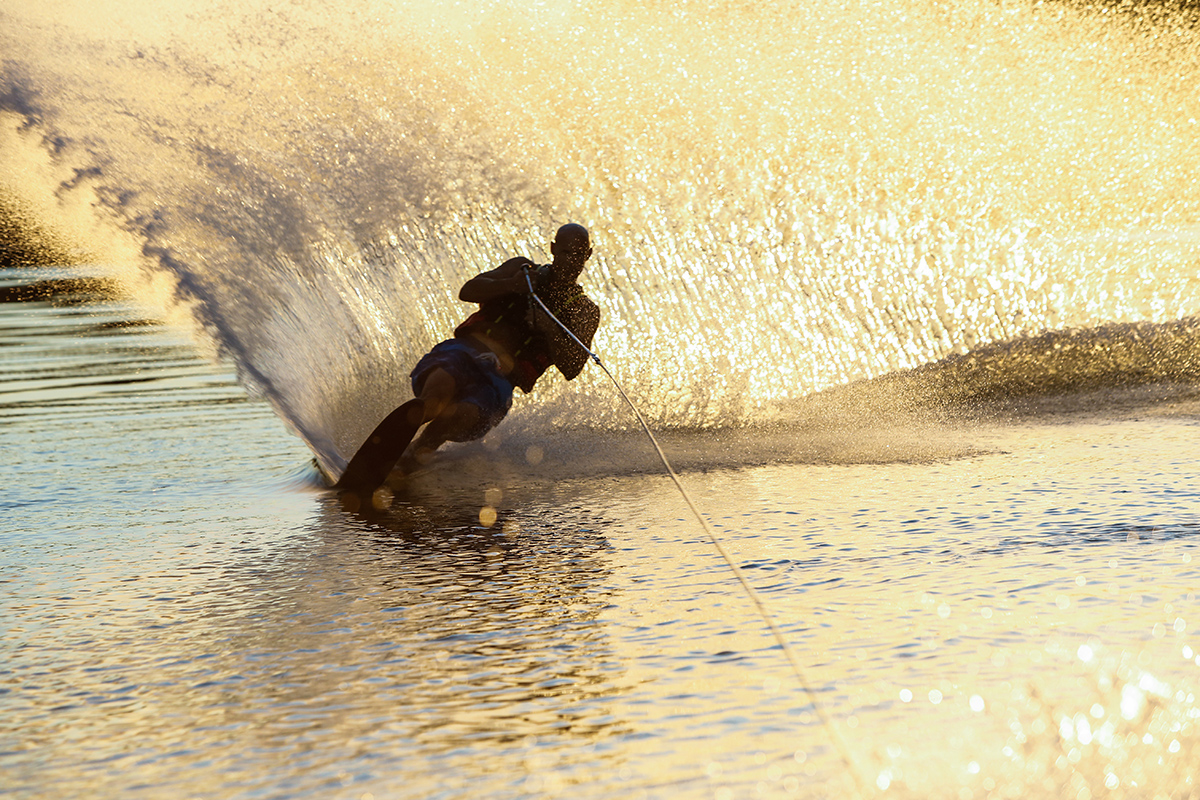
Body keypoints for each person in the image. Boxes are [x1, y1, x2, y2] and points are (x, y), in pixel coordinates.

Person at [400, 222, 601, 470]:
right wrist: (509, 285)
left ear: (588, 255)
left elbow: (573, 368)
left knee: (461, 414)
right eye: (566, 253)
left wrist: (550, 330)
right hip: (464, 352)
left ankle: (413, 457)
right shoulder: (521, 269)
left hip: (499, 380)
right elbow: (468, 291)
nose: (572, 262)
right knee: (437, 395)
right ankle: (391, 445)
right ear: (553, 249)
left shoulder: (584, 311)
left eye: (579, 255)